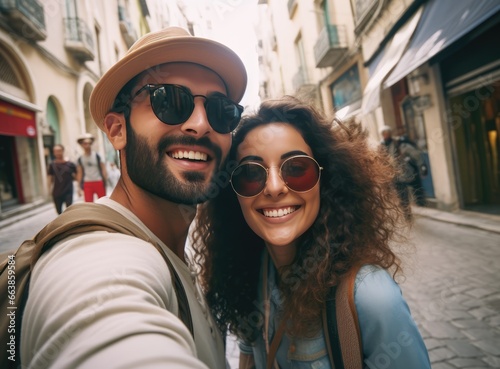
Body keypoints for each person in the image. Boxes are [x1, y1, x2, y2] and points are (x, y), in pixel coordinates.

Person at [20, 26, 247, 368]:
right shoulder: (99, 261)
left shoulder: (173, 249)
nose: (201, 124)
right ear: (117, 129)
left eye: (221, 110)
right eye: (170, 101)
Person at [192, 97, 431, 369]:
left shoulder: (372, 296)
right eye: (250, 173)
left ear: (324, 179)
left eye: (295, 169)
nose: (273, 188)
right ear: (232, 194)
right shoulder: (249, 273)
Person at [379, 125, 427, 216]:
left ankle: (420, 203)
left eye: (387, 133)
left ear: (390, 134)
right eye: (383, 134)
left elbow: (416, 155)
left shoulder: (399, 144)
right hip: (394, 176)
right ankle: (407, 213)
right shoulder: (381, 146)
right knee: (402, 196)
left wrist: (422, 166)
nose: (385, 136)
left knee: (416, 188)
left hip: (406, 172)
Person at [76, 132, 108, 202]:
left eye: (88, 143)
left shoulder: (98, 156)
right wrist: (78, 187)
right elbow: (80, 173)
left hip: (98, 181)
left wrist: (105, 182)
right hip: (87, 183)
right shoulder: (80, 159)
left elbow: (103, 169)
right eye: (84, 143)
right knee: (89, 204)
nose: (86, 145)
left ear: (91, 144)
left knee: (103, 202)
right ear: (81, 145)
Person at [47, 144, 77, 214]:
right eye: (55, 151)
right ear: (53, 152)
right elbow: (49, 178)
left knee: (69, 211)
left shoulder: (70, 164)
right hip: (57, 192)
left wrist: (79, 187)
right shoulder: (52, 165)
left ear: (63, 151)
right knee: (59, 212)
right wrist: (49, 189)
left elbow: (77, 175)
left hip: (68, 190)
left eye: (59, 151)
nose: (57, 153)